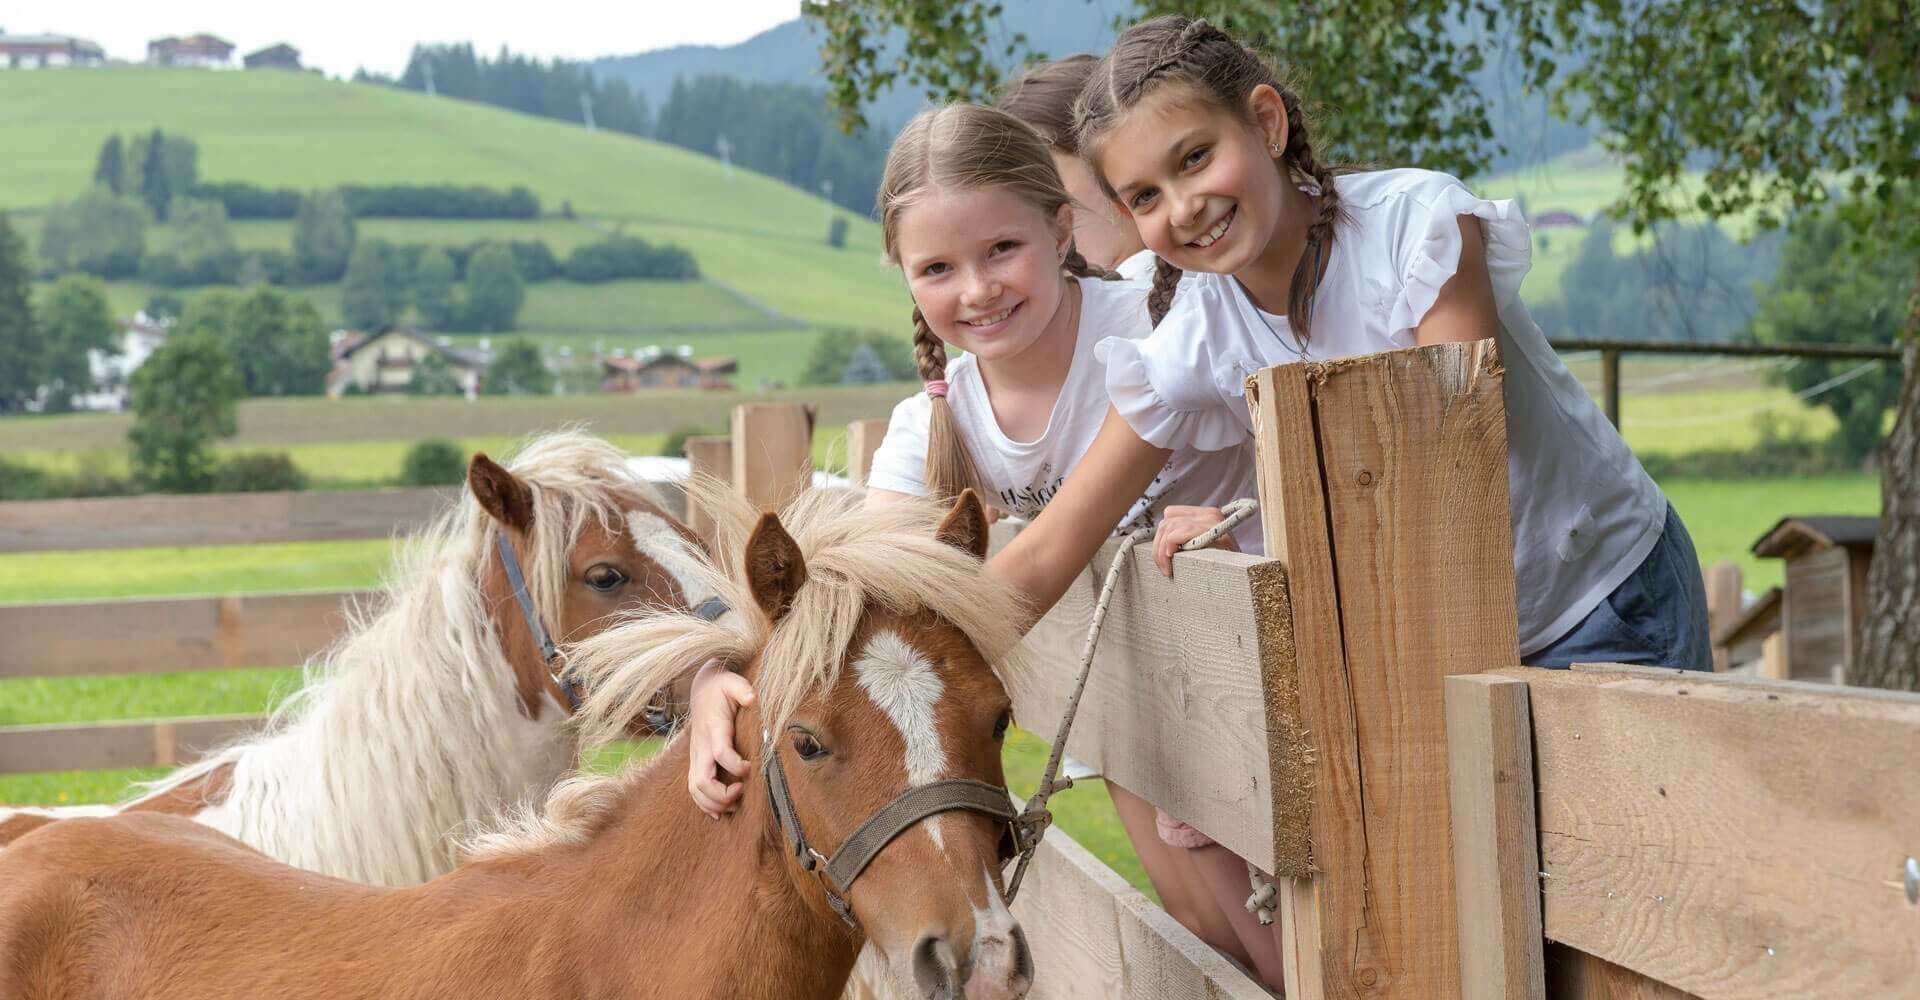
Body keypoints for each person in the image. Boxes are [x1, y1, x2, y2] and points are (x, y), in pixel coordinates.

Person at [683, 101, 1276, 979]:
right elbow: (847, 606)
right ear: (906, 278)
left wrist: (1250, 499)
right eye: (937, 267)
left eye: (1002, 250)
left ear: (1062, 226)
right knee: (1232, 960)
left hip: (1266, 669)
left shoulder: (1158, 333)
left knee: (1306, 953)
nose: (977, 289)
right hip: (1145, 714)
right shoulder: (935, 425)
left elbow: (1289, 423)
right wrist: (720, 674)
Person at [988, 13, 1712, 682]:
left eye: (1196, 158)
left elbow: (1452, 467)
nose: (1182, 207)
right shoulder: (1193, 338)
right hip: (1439, 637)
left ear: (1266, 123)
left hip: (1601, 597)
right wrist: (919, 647)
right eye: (1144, 196)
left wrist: (1267, 535)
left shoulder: (1415, 234)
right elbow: (1055, 542)